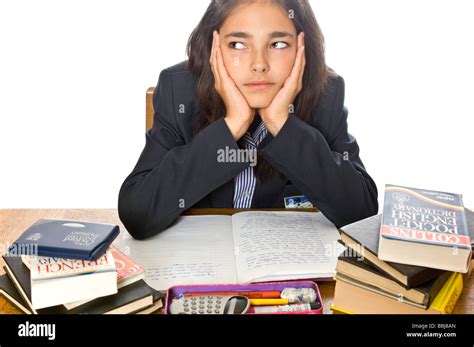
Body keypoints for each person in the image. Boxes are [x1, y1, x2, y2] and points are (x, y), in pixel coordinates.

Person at [118, 0, 378, 240]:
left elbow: (359, 213)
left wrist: (283, 124)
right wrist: (232, 125)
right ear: (213, 48)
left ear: (303, 48)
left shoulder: (326, 95)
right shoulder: (179, 91)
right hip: (200, 265)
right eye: (238, 45)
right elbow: (137, 215)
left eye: (277, 44)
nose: (259, 65)